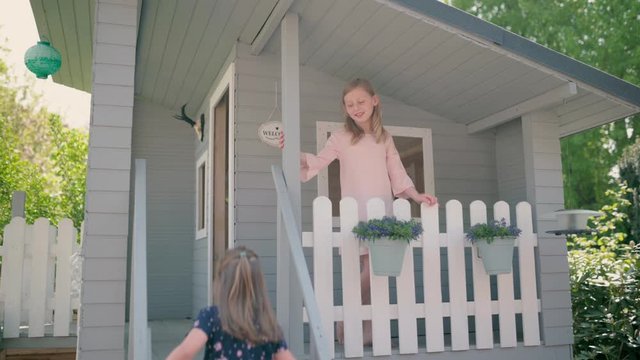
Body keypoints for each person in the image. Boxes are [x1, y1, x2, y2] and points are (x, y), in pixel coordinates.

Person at [279, 78, 437, 345]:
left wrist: (415, 196)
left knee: (377, 273)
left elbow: (397, 173)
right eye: (350, 104)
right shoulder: (341, 137)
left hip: (382, 213)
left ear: (375, 101)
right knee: (367, 271)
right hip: (356, 213)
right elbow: (318, 162)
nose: (356, 107)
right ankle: (347, 327)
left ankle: (364, 333)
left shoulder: (385, 138)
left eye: (361, 101)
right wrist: (289, 150)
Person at [166, 246, 295, 360]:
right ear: (259, 285)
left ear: (221, 283)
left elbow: (186, 351)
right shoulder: (268, 324)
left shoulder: (211, 317)